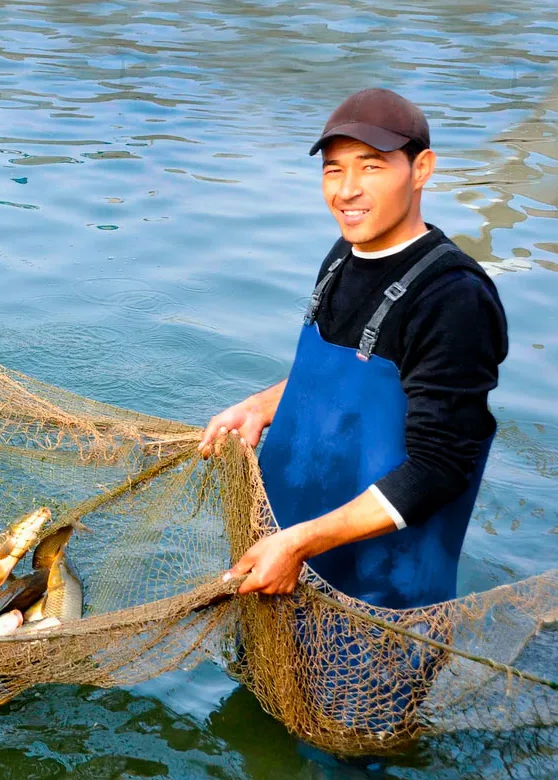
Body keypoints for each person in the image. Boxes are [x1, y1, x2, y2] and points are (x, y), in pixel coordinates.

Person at [203, 87, 506, 610]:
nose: (347, 190)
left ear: (421, 168)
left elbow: (439, 468)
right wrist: (261, 406)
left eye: (371, 166)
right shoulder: (344, 255)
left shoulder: (454, 298)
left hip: (377, 597)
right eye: (333, 169)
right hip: (283, 559)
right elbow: (340, 382)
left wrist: (301, 541)